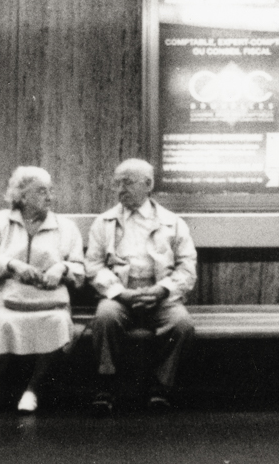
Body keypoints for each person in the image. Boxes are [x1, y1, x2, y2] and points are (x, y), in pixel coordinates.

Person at [83, 158, 198, 412]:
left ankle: (160, 386)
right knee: (104, 317)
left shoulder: (173, 223)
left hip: (161, 294)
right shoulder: (104, 223)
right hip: (119, 294)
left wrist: (161, 290)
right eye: (117, 184)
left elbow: (187, 269)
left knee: (182, 325)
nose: (119, 190)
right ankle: (107, 384)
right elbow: (93, 266)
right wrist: (119, 293)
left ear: (148, 184)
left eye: (126, 183)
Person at [0, 166, 84, 413]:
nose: (50, 197)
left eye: (51, 190)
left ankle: (33, 388)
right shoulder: (1, 221)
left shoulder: (67, 227)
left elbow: (81, 270)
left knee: (59, 321)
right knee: (2, 322)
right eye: (42, 191)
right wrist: (12, 265)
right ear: (22, 196)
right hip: (5, 293)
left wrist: (61, 268)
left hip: (49, 297)